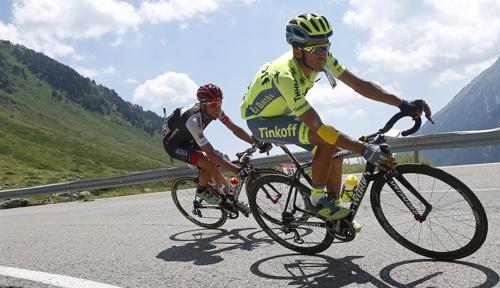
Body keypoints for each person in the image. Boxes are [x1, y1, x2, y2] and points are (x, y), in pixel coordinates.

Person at [240, 13, 431, 230]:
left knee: (336, 152)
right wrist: (365, 149)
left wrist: (402, 103)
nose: (323, 54)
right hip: (261, 121)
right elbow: (318, 128)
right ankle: (317, 201)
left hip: (283, 112)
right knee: (326, 140)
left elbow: (359, 85)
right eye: (316, 49)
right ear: (297, 50)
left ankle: (334, 209)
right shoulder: (285, 76)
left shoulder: (321, 58)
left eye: (326, 46)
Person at [162, 83, 271, 213]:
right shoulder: (192, 120)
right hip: (174, 144)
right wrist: (236, 170)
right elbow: (211, 153)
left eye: (220, 103)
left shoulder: (215, 110)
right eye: (214, 105)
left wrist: (256, 143)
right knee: (209, 162)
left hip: (190, 138)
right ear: (203, 104)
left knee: (215, 164)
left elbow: (235, 129)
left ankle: (230, 199)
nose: (217, 108)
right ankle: (202, 190)